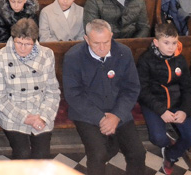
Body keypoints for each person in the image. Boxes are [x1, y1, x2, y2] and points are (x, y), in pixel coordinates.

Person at [63, 19, 146, 175]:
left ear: (112, 36)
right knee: (98, 154)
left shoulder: (124, 52)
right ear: (86, 39)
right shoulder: (73, 57)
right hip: (87, 114)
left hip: (118, 111)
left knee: (138, 153)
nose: (102, 48)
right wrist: (101, 118)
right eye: (96, 43)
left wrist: (116, 116)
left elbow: (131, 88)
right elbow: (73, 94)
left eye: (106, 42)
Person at [0, 19, 60, 160]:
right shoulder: (1, 57)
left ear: (34, 41)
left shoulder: (46, 54)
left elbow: (52, 91)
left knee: (42, 155)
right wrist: (25, 118)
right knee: (22, 154)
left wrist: (43, 117)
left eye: (28, 44)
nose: (22, 48)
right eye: (19, 42)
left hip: (40, 111)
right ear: (13, 39)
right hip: (13, 113)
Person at [137, 23, 191, 175]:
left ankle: (171, 155)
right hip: (154, 103)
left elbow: (187, 87)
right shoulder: (146, 60)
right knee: (158, 138)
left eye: (174, 43)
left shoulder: (180, 59)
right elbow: (142, 91)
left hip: (177, 102)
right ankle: (166, 143)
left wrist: (185, 110)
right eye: (166, 43)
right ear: (156, 43)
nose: (171, 47)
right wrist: (162, 111)